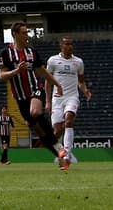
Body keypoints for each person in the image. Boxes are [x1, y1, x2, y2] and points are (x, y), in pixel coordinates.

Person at [0, 22, 69, 169]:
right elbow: (2, 76)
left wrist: (57, 83)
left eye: (26, 32)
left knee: (35, 112)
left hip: (35, 88)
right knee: (38, 131)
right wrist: (16, 71)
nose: (26, 36)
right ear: (15, 34)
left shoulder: (32, 52)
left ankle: (59, 147)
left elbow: (42, 71)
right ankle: (59, 154)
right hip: (20, 97)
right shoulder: (5, 53)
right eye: (23, 33)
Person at [47, 37, 92, 165]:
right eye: (67, 44)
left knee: (69, 120)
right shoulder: (53, 61)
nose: (70, 46)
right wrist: (48, 101)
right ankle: (61, 152)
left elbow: (81, 81)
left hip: (72, 97)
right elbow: (48, 82)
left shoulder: (78, 62)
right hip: (57, 99)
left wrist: (85, 91)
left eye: (71, 44)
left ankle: (67, 155)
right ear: (61, 45)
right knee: (57, 131)